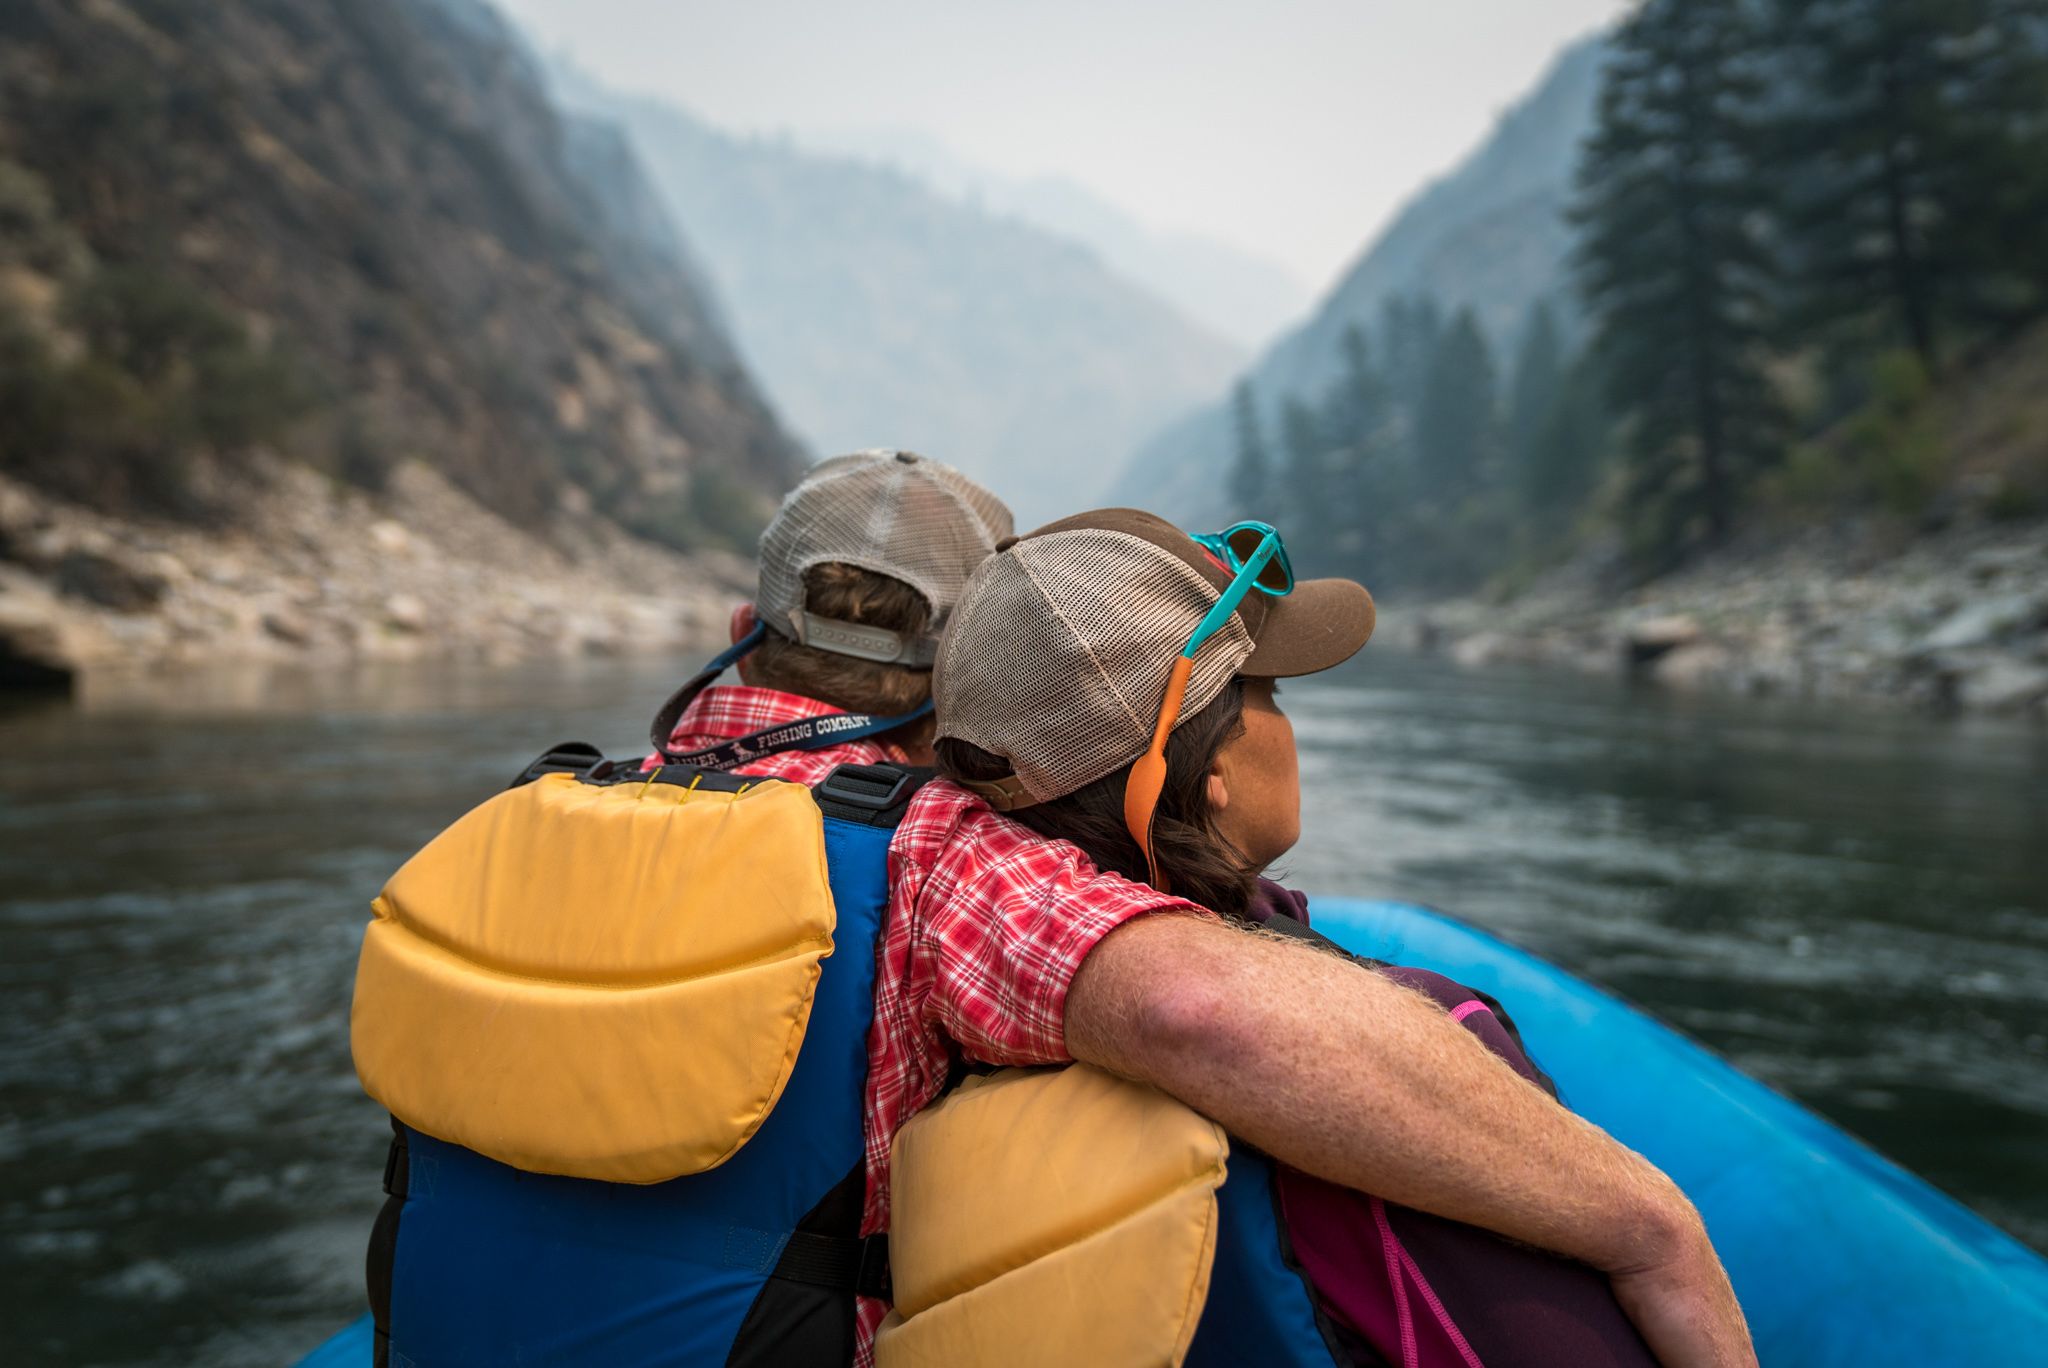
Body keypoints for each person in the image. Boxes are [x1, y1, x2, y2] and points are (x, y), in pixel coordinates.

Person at [860, 510, 1753, 1367]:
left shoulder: (925, 916)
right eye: (1272, 694)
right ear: (1206, 769)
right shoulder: (1411, 1049)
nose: (1291, 727)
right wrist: (1659, 1231)